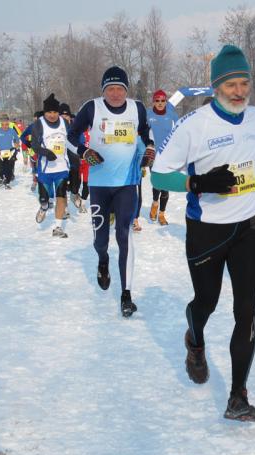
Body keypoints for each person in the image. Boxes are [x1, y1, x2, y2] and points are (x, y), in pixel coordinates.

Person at [151, 45, 255, 422]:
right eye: (230, 85)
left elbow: (249, 161)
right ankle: (195, 340)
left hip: (248, 227)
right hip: (207, 230)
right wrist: (198, 181)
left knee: (246, 310)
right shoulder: (194, 125)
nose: (239, 92)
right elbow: (158, 174)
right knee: (206, 302)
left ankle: (238, 396)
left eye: (244, 84)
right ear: (215, 87)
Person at [67, 66, 155, 318]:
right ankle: (103, 259)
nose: (115, 94)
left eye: (120, 89)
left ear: (126, 90)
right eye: (110, 89)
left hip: (127, 184)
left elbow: (146, 132)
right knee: (100, 239)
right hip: (99, 186)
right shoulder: (92, 108)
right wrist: (84, 152)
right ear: (103, 90)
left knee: (125, 235)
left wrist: (149, 147)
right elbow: (70, 136)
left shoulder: (136, 108)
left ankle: (126, 294)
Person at [31, 94, 71, 238]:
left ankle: (58, 227)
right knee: (44, 198)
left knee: (61, 196)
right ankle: (43, 207)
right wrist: (46, 152)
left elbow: (71, 141)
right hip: (45, 168)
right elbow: (34, 145)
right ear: (45, 112)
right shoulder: (38, 124)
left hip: (61, 167)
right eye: (49, 112)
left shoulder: (64, 123)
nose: (52, 115)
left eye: (55, 112)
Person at [145, 89, 180, 227]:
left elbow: (180, 130)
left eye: (163, 101)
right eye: (157, 100)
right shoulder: (148, 114)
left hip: (168, 155)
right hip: (153, 154)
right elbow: (141, 131)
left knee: (166, 184)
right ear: (153, 101)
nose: (160, 103)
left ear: (166, 102)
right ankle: (155, 203)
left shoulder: (172, 114)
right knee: (158, 181)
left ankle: (161, 213)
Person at [59, 103, 85, 214]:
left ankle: (75, 194)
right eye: (62, 116)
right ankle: (64, 209)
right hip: (61, 161)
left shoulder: (76, 127)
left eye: (66, 116)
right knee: (62, 186)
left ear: (70, 116)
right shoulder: (57, 128)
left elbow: (82, 140)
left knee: (76, 183)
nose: (64, 118)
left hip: (74, 159)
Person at [0, 114, 20, 188]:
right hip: (0, 152)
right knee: (1, 167)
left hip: (10, 151)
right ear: (0, 124)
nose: (5, 126)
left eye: (6, 124)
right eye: (3, 124)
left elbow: (17, 139)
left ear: (9, 123)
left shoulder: (12, 131)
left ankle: (7, 182)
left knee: (9, 167)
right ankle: (1, 178)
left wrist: (16, 145)